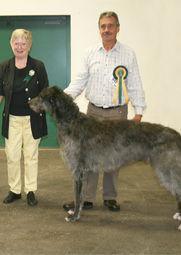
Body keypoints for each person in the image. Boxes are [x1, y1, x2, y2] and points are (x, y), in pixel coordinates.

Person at [63, 11, 147, 212]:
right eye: (103, 26)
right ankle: (87, 198)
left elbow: (134, 83)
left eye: (110, 26)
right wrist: (62, 99)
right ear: (99, 29)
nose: (106, 30)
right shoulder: (90, 53)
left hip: (117, 114)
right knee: (89, 157)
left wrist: (139, 111)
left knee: (114, 156)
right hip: (93, 113)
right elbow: (79, 81)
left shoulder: (128, 54)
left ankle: (110, 197)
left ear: (118, 28)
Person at [0, 29, 49, 206]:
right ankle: (14, 190)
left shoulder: (38, 66)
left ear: (29, 45)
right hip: (12, 119)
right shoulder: (4, 66)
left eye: (23, 43)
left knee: (31, 156)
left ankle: (30, 190)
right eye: (16, 43)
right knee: (12, 155)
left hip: (32, 119)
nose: (19, 47)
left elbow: (45, 92)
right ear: (11, 45)